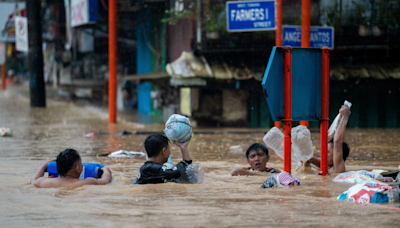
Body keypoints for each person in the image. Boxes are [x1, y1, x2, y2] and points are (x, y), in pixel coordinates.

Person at [30, 149, 112, 188]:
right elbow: (106, 180)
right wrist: (105, 169)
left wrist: (45, 165)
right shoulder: (85, 182)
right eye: (81, 163)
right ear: (77, 168)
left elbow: (33, 180)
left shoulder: (44, 182)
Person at [307, 105, 351, 174]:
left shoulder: (338, 169)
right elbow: (321, 162)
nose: (323, 155)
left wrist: (345, 117)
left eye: (327, 152)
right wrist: (309, 158)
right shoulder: (329, 168)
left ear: (336, 155)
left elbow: (337, 142)